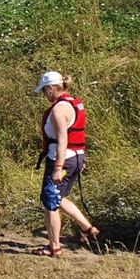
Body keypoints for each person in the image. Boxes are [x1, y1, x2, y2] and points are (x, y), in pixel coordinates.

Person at [34, 71, 99, 257]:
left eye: (45, 91)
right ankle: (87, 229)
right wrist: (81, 159)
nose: (45, 96)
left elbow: (63, 140)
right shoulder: (75, 104)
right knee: (59, 197)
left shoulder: (58, 109)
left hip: (61, 159)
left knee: (50, 203)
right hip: (76, 157)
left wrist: (57, 168)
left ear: (51, 89)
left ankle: (54, 247)